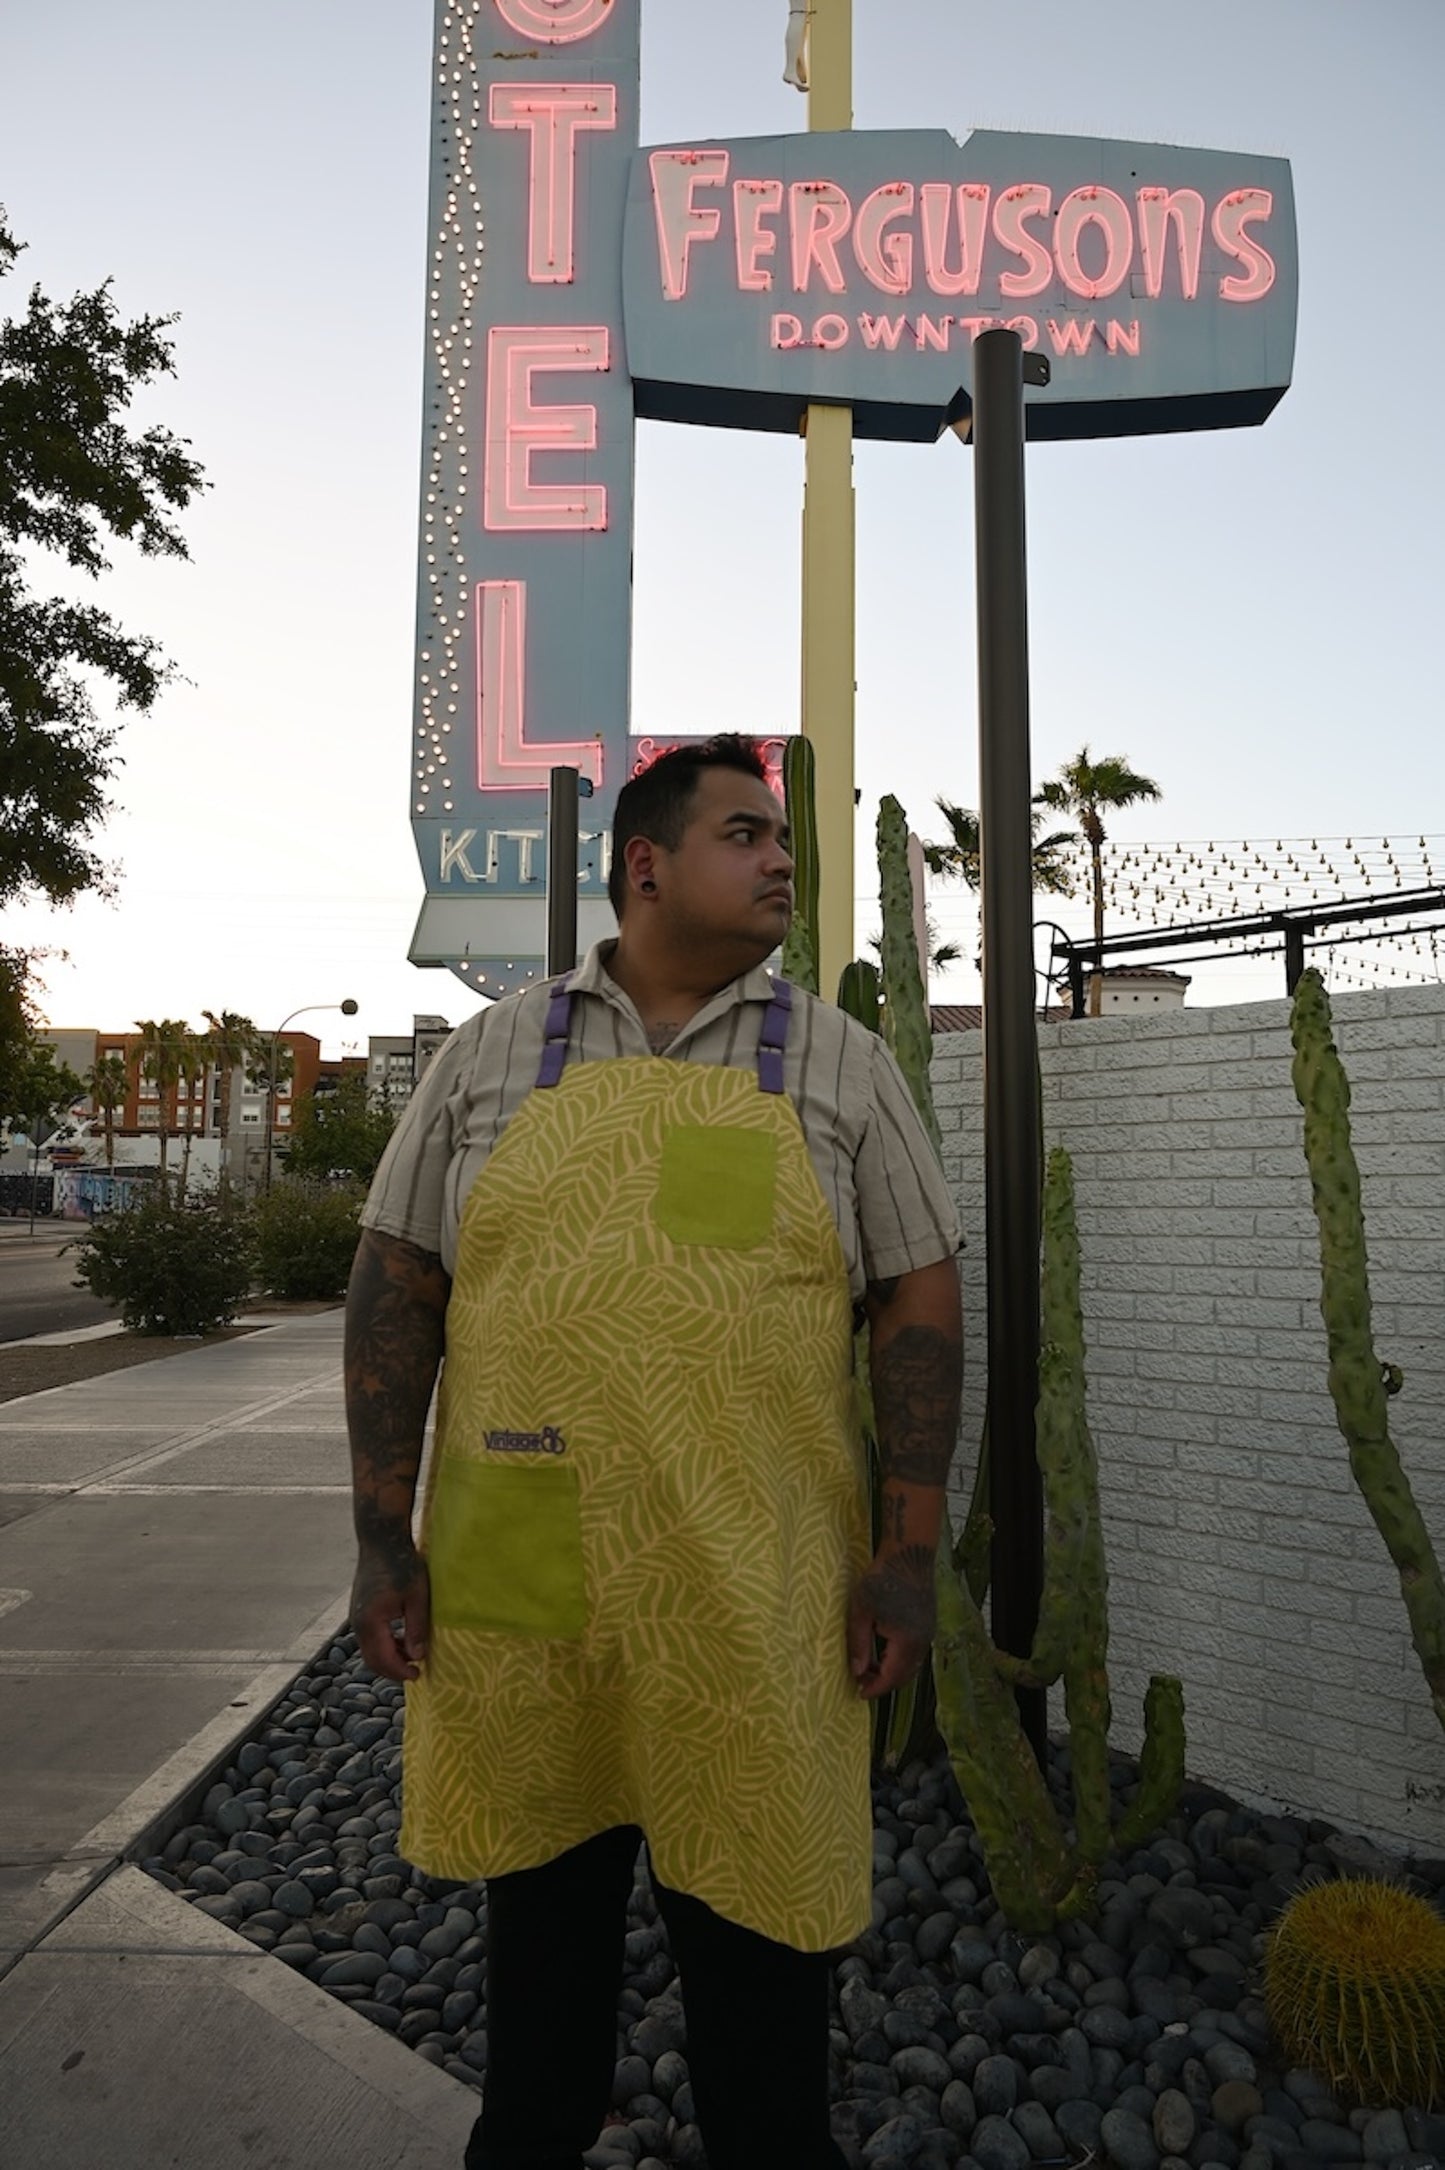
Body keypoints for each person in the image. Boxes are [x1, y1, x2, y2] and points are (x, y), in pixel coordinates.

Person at [345, 735, 963, 2170]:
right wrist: (385, 1530)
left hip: (750, 1579)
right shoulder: (493, 1052)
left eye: (781, 841)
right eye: (745, 834)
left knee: (762, 2009)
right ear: (645, 864)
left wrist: (907, 1549)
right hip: (519, 1577)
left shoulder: (834, 1061)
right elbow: (398, 1283)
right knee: (538, 1991)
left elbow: (915, 1296)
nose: (778, 860)